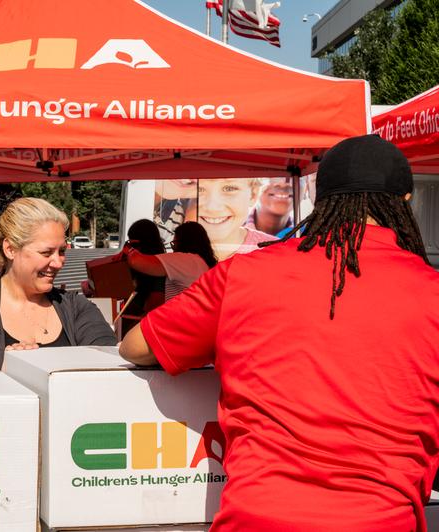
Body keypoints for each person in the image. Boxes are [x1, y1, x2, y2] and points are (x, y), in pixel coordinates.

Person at [119, 134, 439, 531]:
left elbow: (136, 346)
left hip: (257, 517)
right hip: (382, 520)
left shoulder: (246, 273)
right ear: (405, 201)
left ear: (321, 203)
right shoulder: (431, 292)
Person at [0, 197, 117, 370]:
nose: (58, 262)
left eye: (61, 251)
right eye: (46, 253)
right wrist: (10, 372)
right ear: (10, 249)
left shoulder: (77, 308)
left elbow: (108, 365)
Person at [184, 178, 275, 260]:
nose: (213, 208)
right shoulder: (170, 248)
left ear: (253, 195)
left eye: (229, 188)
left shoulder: (277, 251)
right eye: (199, 189)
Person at [124, 221, 217, 301]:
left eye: (174, 243)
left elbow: (135, 261)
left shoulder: (186, 260)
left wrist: (128, 248)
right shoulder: (200, 263)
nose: (173, 249)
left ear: (183, 244)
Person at [117, 219, 167, 332]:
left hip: (142, 328)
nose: (130, 248)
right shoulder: (133, 266)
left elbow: (155, 305)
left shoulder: (158, 270)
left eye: (132, 243)